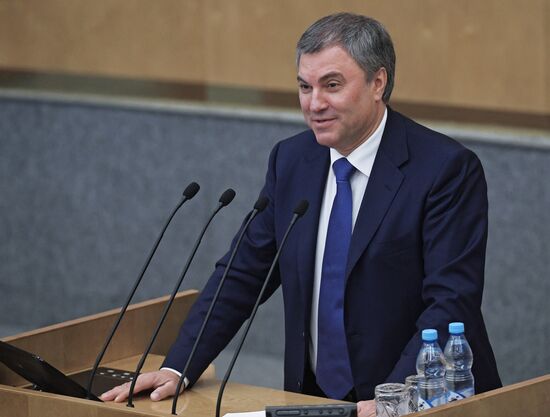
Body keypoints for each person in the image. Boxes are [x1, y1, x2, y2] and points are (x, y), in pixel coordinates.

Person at [102, 13, 501, 416]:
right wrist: (179, 365)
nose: (314, 104)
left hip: (418, 398)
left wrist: (391, 400)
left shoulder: (444, 169)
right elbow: (244, 272)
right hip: (312, 398)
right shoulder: (292, 160)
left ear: (377, 83)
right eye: (304, 87)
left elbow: (451, 301)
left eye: (332, 85)